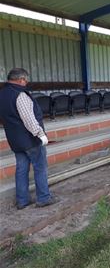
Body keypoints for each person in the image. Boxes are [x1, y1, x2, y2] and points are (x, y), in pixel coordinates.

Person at [0, 68, 58, 209]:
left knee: (21, 169)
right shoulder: (20, 95)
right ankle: (43, 197)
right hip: (29, 139)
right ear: (22, 80)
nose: (26, 83)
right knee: (40, 167)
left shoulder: (2, 94)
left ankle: (22, 200)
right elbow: (29, 120)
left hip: (14, 140)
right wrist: (41, 135)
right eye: (26, 80)